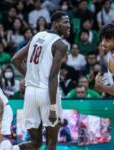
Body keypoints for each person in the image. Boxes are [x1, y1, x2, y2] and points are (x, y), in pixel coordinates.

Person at [5, 11, 70, 150]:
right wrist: (53, 108)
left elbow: (15, 59)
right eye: (65, 22)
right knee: (51, 143)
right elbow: (53, 77)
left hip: (30, 94)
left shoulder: (37, 36)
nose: (69, 25)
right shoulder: (61, 45)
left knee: (35, 143)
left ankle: (12, 149)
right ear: (55, 24)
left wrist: (28, 77)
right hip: (47, 93)